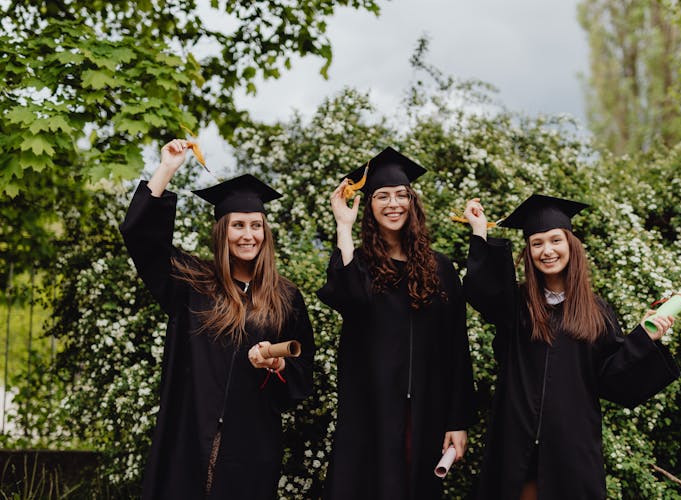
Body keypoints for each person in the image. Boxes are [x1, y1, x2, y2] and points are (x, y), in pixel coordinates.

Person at [119, 139, 315, 499]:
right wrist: (166, 169)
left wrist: (278, 366)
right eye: (238, 225)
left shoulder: (286, 298)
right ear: (222, 231)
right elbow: (141, 237)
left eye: (256, 226)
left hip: (252, 448)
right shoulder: (191, 283)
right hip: (189, 439)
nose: (248, 235)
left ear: (265, 233)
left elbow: (303, 373)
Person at [461, 194, 680, 500]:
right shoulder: (517, 305)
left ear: (571, 246)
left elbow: (613, 381)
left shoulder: (597, 312)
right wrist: (480, 231)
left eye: (555, 240)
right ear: (528, 252)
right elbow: (482, 291)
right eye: (537, 243)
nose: (547, 251)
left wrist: (642, 338)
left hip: (571, 452)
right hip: (515, 446)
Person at [317, 147, 476, 499]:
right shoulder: (358, 265)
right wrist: (343, 226)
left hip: (426, 410)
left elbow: (456, 348)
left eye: (401, 195)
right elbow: (348, 297)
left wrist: (457, 420)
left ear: (413, 202)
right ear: (369, 206)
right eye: (382, 196)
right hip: (369, 409)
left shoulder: (440, 268)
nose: (393, 203)